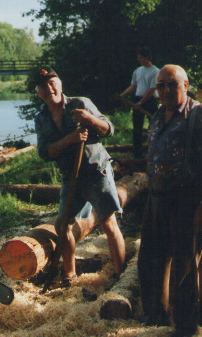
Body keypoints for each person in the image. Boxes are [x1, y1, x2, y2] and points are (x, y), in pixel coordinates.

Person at [137, 65, 202, 337]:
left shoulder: (199, 114)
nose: (164, 90)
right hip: (156, 200)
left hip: (186, 202)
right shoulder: (157, 115)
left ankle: (186, 329)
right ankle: (156, 318)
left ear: (186, 85)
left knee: (185, 266)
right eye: (160, 85)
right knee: (150, 260)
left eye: (171, 84)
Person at [34, 68, 126, 285]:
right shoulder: (41, 118)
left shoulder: (81, 103)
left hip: (95, 171)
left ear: (60, 84)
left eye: (52, 83)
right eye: (43, 87)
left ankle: (120, 275)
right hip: (70, 177)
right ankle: (69, 276)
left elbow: (109, 129)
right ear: (38, 92)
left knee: (108, 222)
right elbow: (44, 152)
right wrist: (70, 139)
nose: (49, 89)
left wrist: (90, 120)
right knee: (61, 226)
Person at [118, 47, 159, 158]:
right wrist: (122, 95)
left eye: (140, 57)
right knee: (137, 128)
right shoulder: (137, 70)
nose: (138, 59)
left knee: (154, 127)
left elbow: (151, 90)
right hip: (138, 100)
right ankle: (137, 153)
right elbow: (134, 86)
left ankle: (154, 151)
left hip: (150, 101)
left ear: (146, 57)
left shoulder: (156, 71)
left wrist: (141, 103)